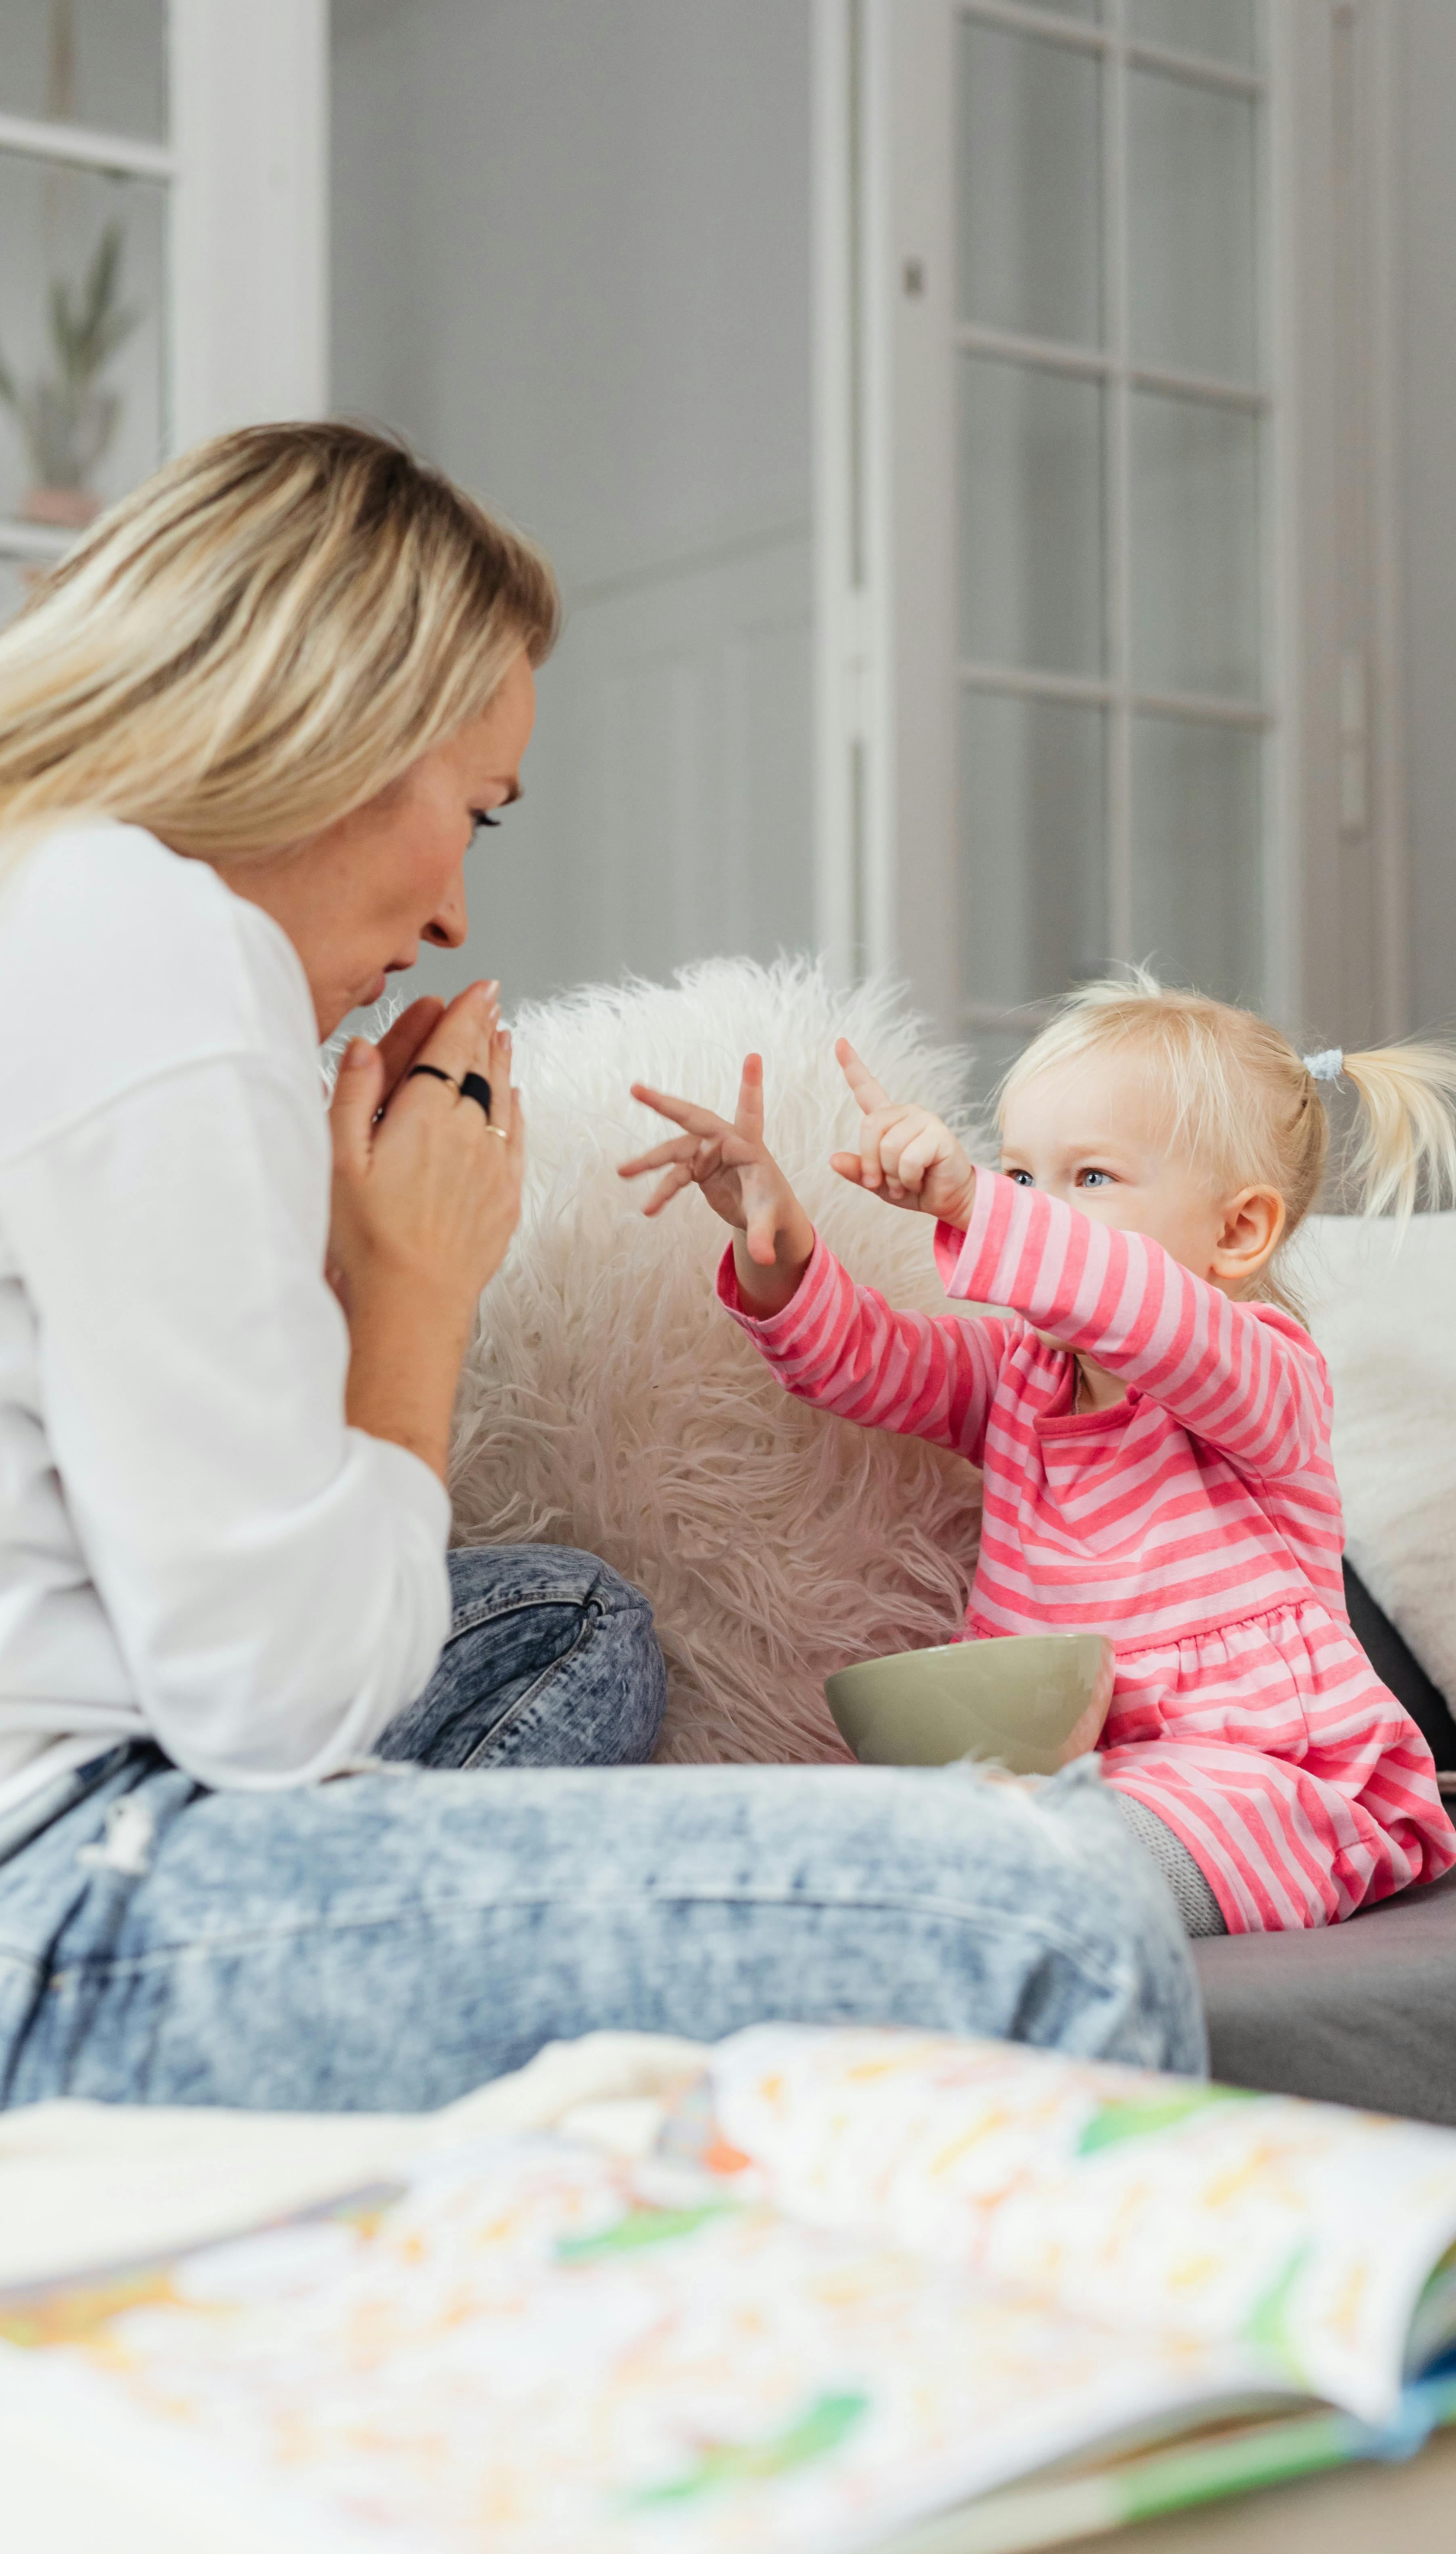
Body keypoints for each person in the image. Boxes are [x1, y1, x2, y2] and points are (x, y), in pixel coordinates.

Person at [0, 424, 1202, 2111]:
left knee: (567, 1618)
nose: (455, 920)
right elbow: (274, 1722)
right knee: (1061, 1908)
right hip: (56, 1906)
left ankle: (440, 2028)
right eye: (473, 809)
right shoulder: (162, 949)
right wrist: (412, 1290)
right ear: (335, 730)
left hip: (93, 1768)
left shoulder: (51, 894)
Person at [623, 979, 1456, 1937]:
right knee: (901, 1828)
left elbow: (1146, 1312)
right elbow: (864, 1359)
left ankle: (1031, 1892)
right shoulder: (1019, 1375)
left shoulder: (1262, 1374)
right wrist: (776, 1238)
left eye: (1089, 1179)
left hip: (1263, 1772)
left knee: (1122, 1836)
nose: (1033, 1209)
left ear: (1238, 1231)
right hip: (1056, 1769)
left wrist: (976, 1205)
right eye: (1019, 1177)